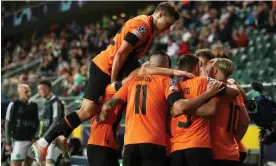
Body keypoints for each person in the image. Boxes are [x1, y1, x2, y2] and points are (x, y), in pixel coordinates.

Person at [32, 2, 183, 163]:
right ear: (160, 14)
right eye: (168, 23)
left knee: (93, 106)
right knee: (88, 110)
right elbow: (120, 54)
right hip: (104, 68)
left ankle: (63, 137)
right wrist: (113, 83)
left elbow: (129, 57)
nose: (168, 28)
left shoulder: (149, 29)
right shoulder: (143, 26)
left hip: (113, 67)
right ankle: (43, 142)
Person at [98, 52, 223, 166]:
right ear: (166, 65)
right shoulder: (166, 81)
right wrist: (207, 94)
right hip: (154, 142)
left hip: (130, 143)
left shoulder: (132, 82)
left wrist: (103, 114)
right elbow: (179, 106)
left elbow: (109, 105)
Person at [169, 55, 240, 166]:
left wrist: (183, 108)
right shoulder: (205, 81)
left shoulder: (172, 85)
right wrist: (236, 87)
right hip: (198, 144)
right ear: (197, 67)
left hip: (175, 147)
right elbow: (233, 92)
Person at [205, 58, 245, 166]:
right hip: (232, 153)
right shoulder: (236, 92)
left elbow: (209, 111)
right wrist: (233, 141)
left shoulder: (215, 90)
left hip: (215, 151)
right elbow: (245, 121)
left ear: (216, 70)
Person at [32, 80, 66, 166]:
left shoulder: (55, 102)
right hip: (45, 139)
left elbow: (56, 122)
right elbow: (43, 124)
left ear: (47, 89)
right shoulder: (46, 103)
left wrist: (44, 138)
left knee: (49, 164)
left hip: (53, 140)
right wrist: (38, 136)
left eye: (40, 89)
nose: (39, 92)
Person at [5, 84, 39, 166]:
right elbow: (7, 123)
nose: (29, 93)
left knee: (28, 164)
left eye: (29, 91)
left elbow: (37, 123)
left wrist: (36, 137)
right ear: (19, 93)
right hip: (18, 141)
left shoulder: (34, 106)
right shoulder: (14, 105)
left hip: (31, 141)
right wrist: (8, 141)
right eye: (26, 92)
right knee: (15, 164)